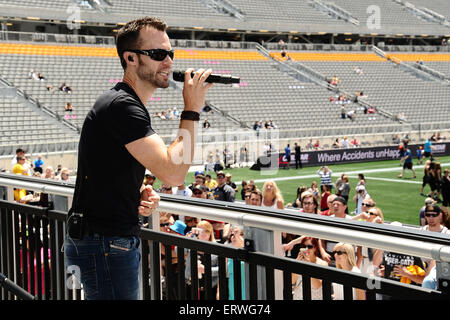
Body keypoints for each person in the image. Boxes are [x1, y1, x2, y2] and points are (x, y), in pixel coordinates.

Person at [64, 16, 214, 300]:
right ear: (130, 58)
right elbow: (174, 175)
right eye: (158, 54)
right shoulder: (124, 107)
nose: (168, 61)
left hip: (99, 239)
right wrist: (192, 109)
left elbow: (107, 171)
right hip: (106, 242)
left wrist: (134, 193)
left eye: (170, 53)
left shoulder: (122, 103)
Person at [185, 220, 219, 300]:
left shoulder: (217, 248)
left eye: (206, 231)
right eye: (200, 231)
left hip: (209, 288)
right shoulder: (191, 244)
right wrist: (186, 241)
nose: (203, 233)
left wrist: (206, 270)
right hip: (191, 286)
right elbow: (177, 251)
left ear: (210, 232)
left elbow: (222, 269)